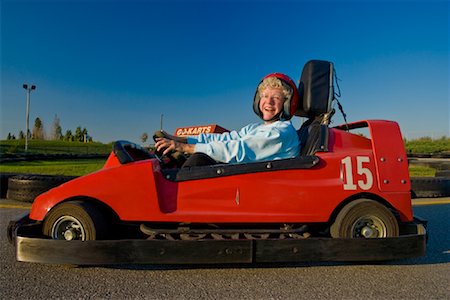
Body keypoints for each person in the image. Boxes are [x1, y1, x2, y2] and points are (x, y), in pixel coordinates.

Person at [155, 73, 300, 167]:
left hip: (264, 189)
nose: (268, 102)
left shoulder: (281, 132)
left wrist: (186, 149)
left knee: (198, 161)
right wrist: (181, 140)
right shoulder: (254, 128)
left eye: (276, 97)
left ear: (287, 104)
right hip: (251, 182)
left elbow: (238, 151)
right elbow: (227, 138)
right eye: (265, 96)